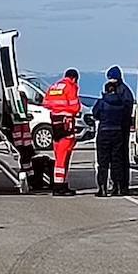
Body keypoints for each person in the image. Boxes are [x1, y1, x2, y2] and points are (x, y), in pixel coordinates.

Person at [91, 65, 135, 196]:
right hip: (119, 131)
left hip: (105, 131)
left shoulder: (102, 102)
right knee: (118, 160)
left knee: (103, 162)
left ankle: (104, 187)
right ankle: (119, 186)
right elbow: (126, 112)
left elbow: (95, 114)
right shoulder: (123, 97)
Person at [42, 68, 82, 196]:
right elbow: (76, 107)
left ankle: (61, 183)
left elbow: (46, 103)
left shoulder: (54, 87)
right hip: (67, 123)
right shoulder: (71, 87)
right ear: (74, 78)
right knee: (64, 155)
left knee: (58, 152)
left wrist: (58, 108)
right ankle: (59, 185)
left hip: (55, 122)